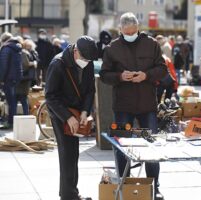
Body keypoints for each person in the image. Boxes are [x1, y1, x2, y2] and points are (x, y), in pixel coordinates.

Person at [100, 12, 167, 200]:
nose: (130, 34)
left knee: (151, 146)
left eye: (133, 31)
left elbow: (162, 69)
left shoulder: (151, 44)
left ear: (138, 28)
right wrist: (120, 76)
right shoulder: (112, 48)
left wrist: (146, 75)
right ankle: (124, 183)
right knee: (121, 145)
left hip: (147, 106)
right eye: (126, 32)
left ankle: (155, 185)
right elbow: (105, 75)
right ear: (120, 30)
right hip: (122, 106)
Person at [45, 35, 97, 200]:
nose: (86, 62)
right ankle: (69, 196)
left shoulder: (87, 63)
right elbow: (50, 97)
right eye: (84, 59)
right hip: (61, 113)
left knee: (73, 153)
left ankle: (70, 193)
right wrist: (68, 117)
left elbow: (90, 90)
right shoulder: (58, 64)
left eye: (89, 60)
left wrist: (84, 112)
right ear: (75, 52)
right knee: (67, 153)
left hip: (77, 112)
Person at [0, 33, 23, 129]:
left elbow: (3, 66)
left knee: (10, 101)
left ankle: (10, 122)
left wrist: (1, 79)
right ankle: (12, 122)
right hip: (15, 78)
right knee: (12, 101)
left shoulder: (6, 48)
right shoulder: (17, 48)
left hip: (7, 79)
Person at [16, 38, 37, 115]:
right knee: (23, 100)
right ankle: (25, 115)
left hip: (22, 80)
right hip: (24, 80)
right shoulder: (24, 52)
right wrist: (33, 63)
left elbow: (25, 64)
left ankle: (23, 116)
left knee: (21, 100)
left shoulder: (23, 53)